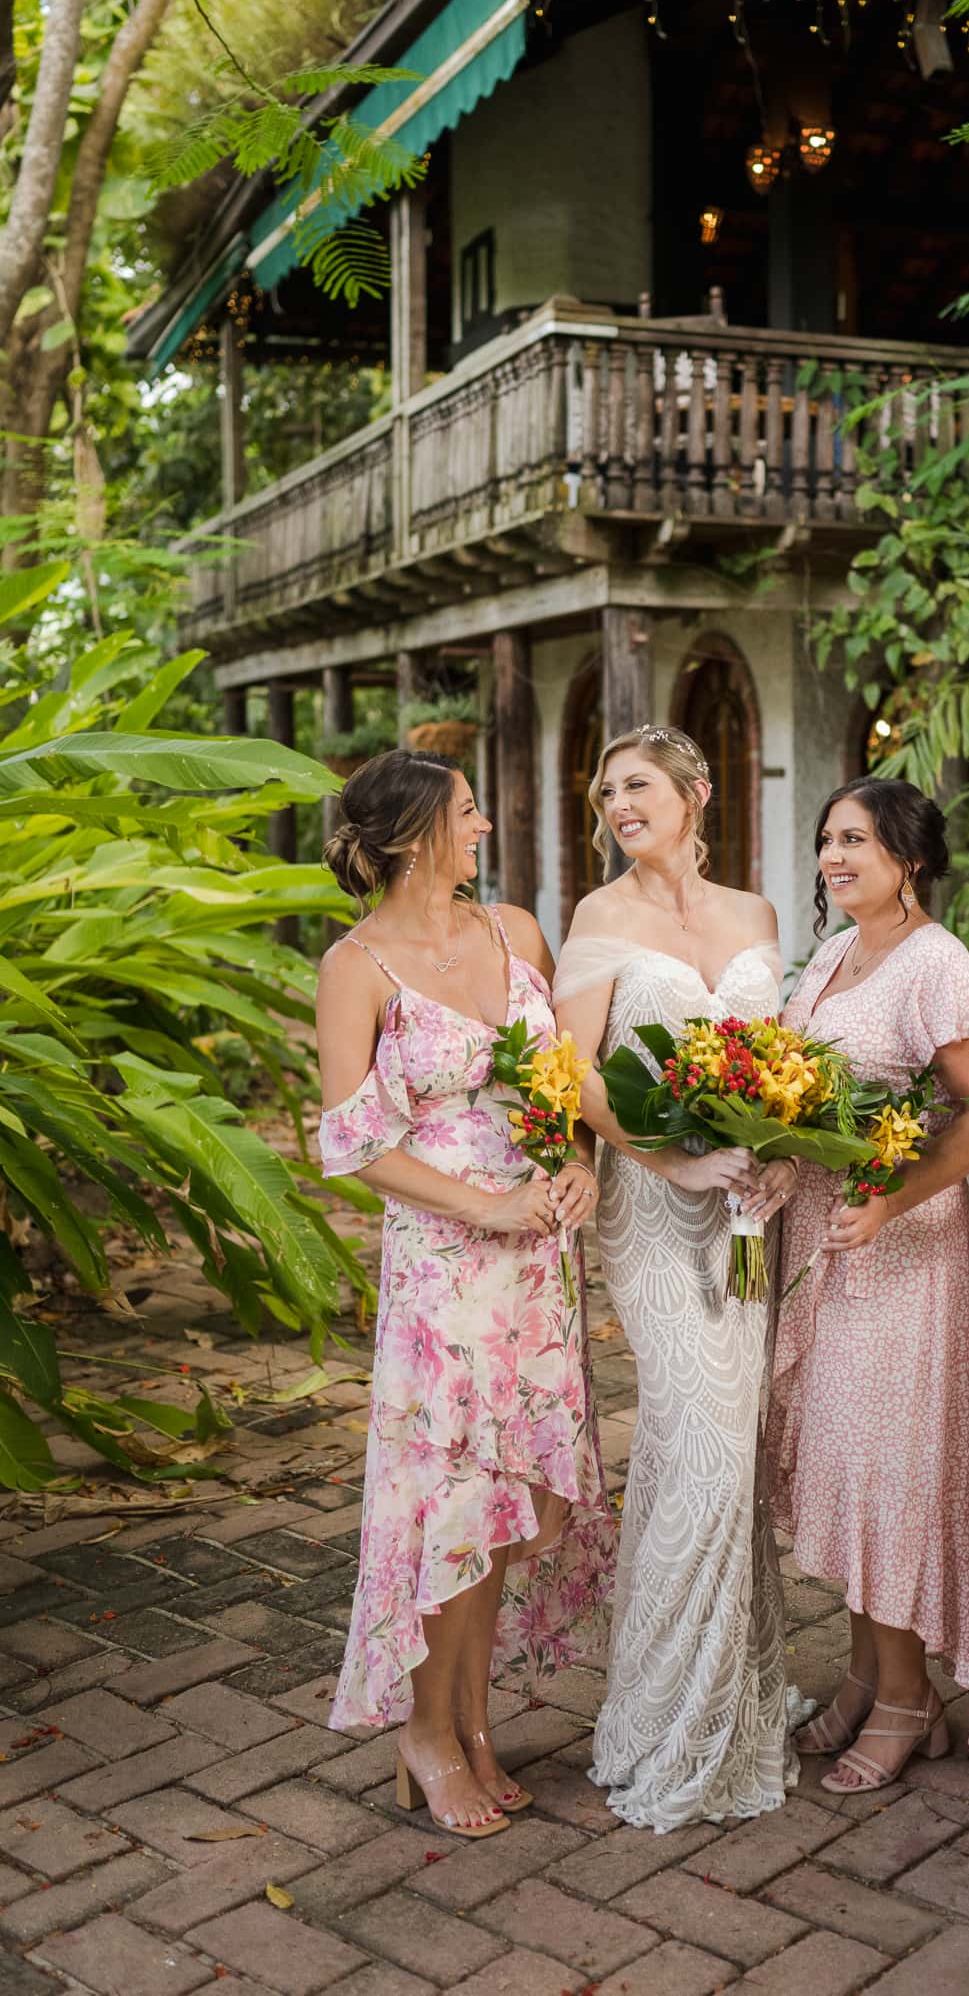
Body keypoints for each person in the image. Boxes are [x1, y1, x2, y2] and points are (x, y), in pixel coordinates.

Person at [316, 749, 613, 1838]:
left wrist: (581, 1159)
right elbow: (349, 1146)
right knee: (446, 1501)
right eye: (469, 813)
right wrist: (480, 1206)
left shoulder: (516, 932)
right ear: (409, 839)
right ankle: (423, 1734)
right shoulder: (357, 967)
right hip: (445, 1276)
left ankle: (475, 1723)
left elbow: (560, 1081)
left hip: (539, 1262)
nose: (484, 828)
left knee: (505, 1505)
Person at [552, 723, 799, 1833]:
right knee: (698, 1429)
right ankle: (663, 1720)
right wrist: (676, 1157)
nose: (619, 805)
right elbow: (572, 1077)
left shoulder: (756, 915)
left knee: (725, 1444)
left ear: (696, 793)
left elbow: (784, 1064)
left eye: (640, 786)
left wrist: (777, 1152)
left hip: (748, 1207)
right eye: (608, 793)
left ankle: (728, 1695)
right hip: (653, 1206)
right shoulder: (600, 917)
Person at [767, 778, 969, 1795]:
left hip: (900, 1252)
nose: (835, 857)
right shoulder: (833, 952)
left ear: (908, 854)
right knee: (850, 1471)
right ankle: (869, 1673)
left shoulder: (939, 967)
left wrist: (892, 1205)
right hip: (830, 1242)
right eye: (827, 840)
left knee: (886, 1478)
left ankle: (911, 1697)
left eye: (856, 840)